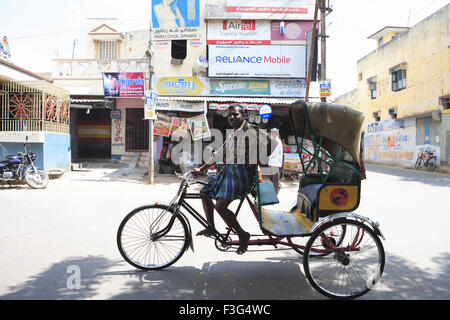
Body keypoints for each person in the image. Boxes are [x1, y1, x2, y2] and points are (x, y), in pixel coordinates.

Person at [194, 104, 276, 255]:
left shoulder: (250, 130)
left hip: (242, 175)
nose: (232, 117)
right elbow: (220, 154)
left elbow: (272, 144)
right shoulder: (233, 133)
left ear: (243, 115)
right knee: (204, 193)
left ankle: (242, 234)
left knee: (220, 207)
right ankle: (211, 227)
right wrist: (202, 168)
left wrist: (257, 158)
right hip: (229, 172)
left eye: (235, 115)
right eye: (230, 115)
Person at [267, 128, 283, 194]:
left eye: (272, 133)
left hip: (275, 162)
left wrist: (267, 156)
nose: (271, 134)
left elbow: (274, 152)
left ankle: (276, 191)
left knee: (275, 178)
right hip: (271, 161)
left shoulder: (277, 141)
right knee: (270, 176)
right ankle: (278, 186)